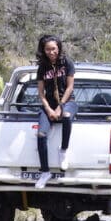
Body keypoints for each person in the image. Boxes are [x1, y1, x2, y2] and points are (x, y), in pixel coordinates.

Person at [34, 34, 78, 189]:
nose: (51, 52)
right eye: (47, 49)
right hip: (48, 105)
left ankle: (63, 150)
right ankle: (45, 172)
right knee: (41, 135)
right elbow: (40, 93)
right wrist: (48, 109)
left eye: (53, 49)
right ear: (43, 50)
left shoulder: (67, 63)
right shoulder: (42, 68)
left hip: (68, 102)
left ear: (58, 48)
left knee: (66, 116)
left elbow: (69, 87)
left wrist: (60, 107)